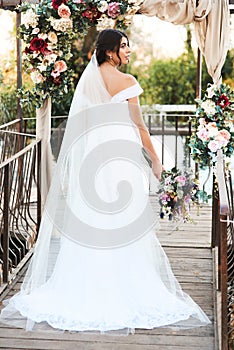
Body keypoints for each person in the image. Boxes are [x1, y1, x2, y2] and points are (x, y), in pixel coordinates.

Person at [0, 29, 210, 334]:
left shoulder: (88, 81)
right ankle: (124, 284)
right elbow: (139, 126)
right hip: (119, 158)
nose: (129, 51)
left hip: (93, 159)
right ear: (110, 51)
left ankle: (86, 284)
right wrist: (155, 159)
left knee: (92, 219)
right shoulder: (127, 82)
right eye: (124, 46)